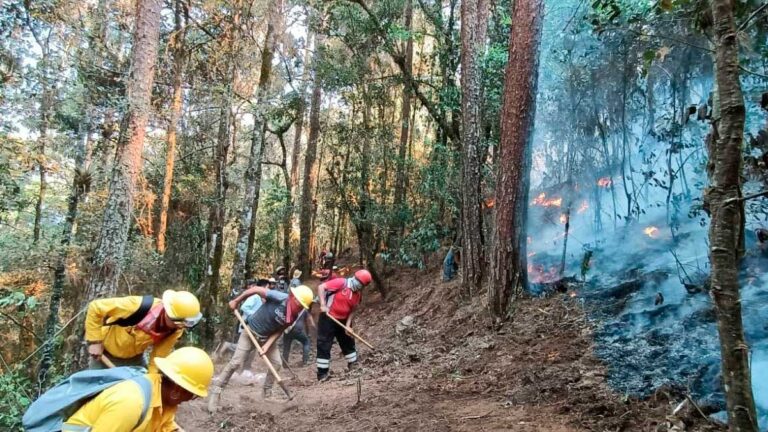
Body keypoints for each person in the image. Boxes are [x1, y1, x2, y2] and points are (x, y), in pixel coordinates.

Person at [207, 283, 314, 412]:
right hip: (250, 332)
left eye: (303, 306)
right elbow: (256, 289)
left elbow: (279, 331)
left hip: (266, 338)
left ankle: (267, 394)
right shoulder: (280, 297)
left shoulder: (293, 316)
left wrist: (267, 345)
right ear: (294, 298)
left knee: (276, 363)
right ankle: (216, 392)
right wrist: (236, 301)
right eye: (300, 304)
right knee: (236, 362)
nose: (300, 308)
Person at [62, 347, 213, 431]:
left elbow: (165, 425)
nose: (189, 400)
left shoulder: (161, 397)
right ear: (177, 390)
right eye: (192, 395)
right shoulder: (130, 403)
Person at [84, 290, 202, 369]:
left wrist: (152, 382)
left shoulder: (175, 330)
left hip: (135, 359)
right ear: (168, 314)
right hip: (105, 354)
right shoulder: (137, 306)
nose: (181, 327)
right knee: (91, 393)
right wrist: (95, 342)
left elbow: (158, 358)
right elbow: (96, 307)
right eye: (180, 323)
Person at [316, 269, 372, 382]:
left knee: (348, 342)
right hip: (328, 317)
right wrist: (323, 304)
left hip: (344, 320)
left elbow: (353, 309)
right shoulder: (341, 282)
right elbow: (321, 287)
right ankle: (322, 373)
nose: (360, 286)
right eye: (359, 283)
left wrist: (348, 325)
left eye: (362, 286)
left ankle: (353, 365)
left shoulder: (358, 294)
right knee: (324, 343)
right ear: (355, 279)